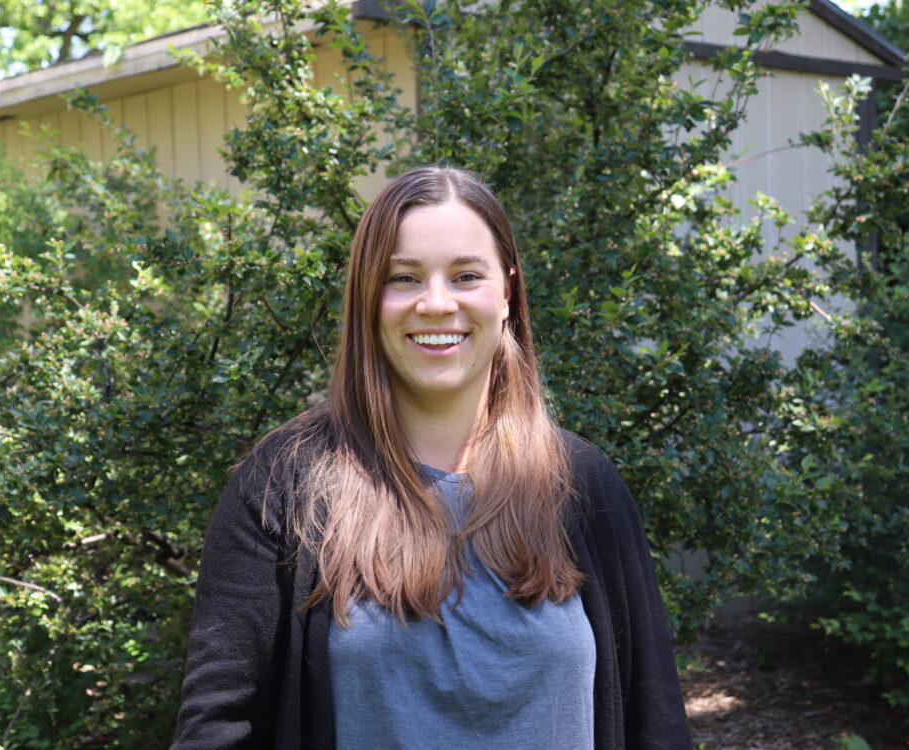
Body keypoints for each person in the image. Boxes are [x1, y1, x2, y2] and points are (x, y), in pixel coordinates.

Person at [172, 166, 692, 749]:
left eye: (467, 275)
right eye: (404, 278)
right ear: (369, 298)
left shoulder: (580, 484)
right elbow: (220, 729)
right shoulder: (284, 483)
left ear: (507, 293)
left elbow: (656, 721)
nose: (436, 304)